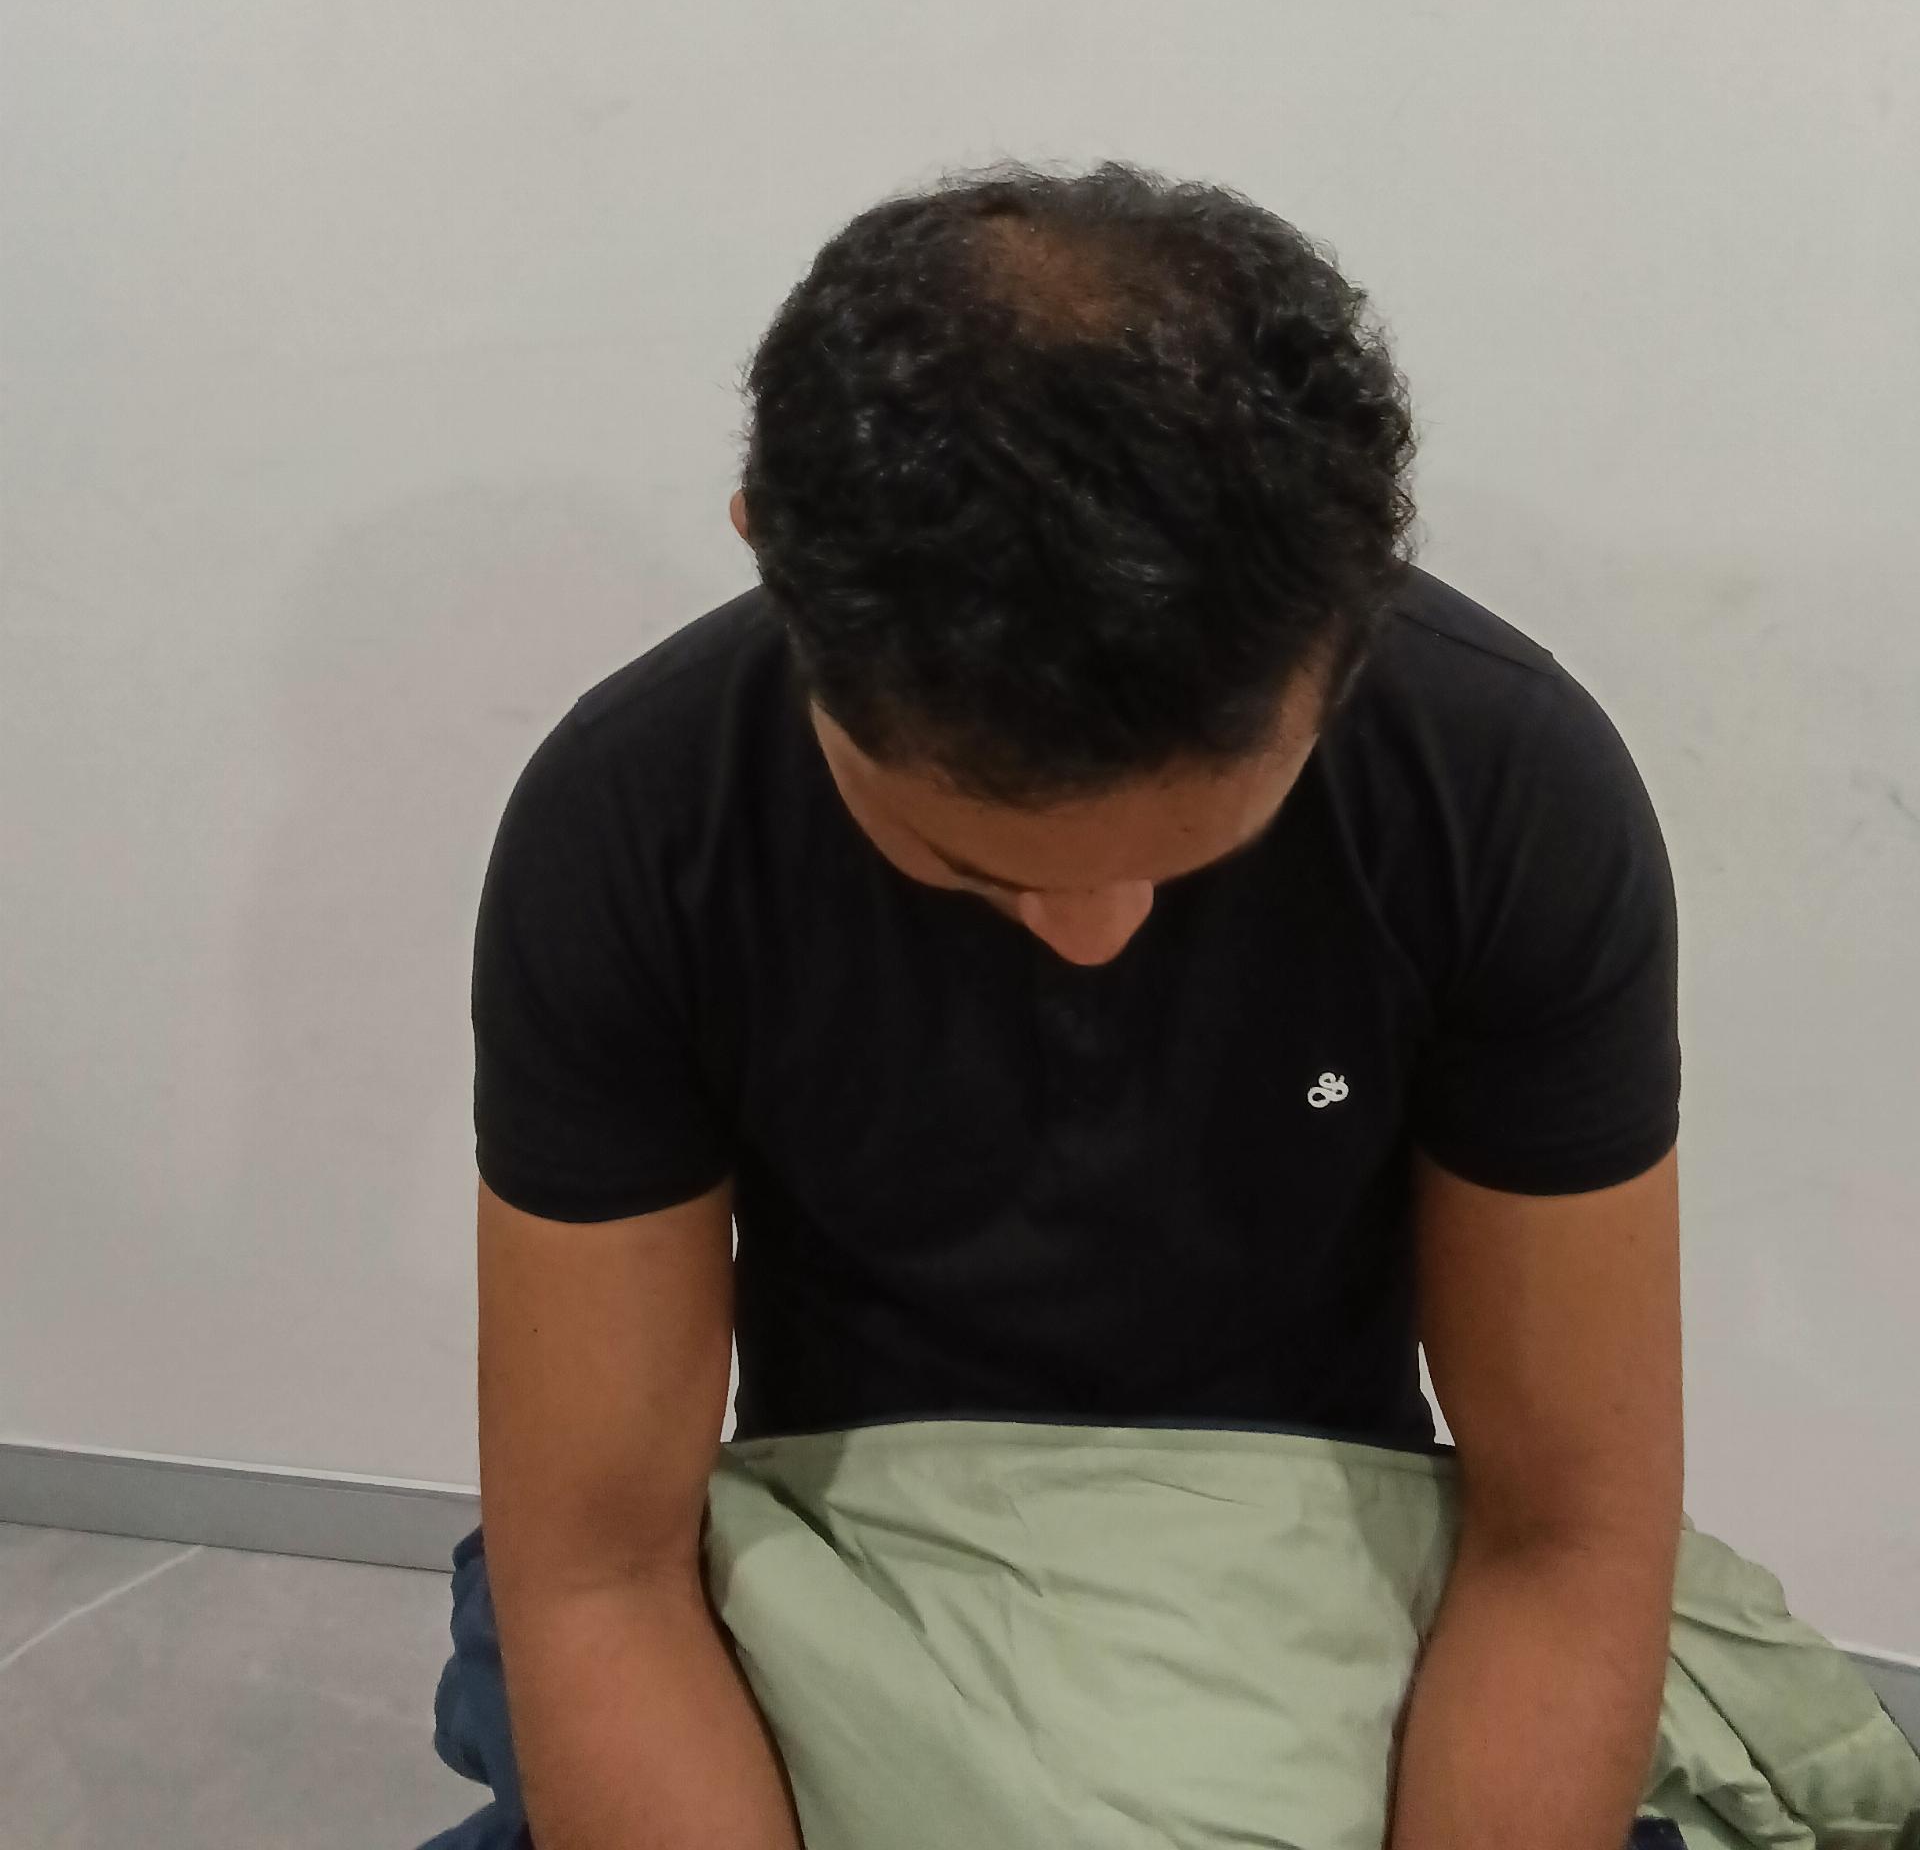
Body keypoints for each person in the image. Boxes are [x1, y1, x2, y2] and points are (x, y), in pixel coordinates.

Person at [423, 160, 1683, 1850]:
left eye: (1199, 853)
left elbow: (1570, 1532)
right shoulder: (638, 823)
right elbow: (597, 1565)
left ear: (1349, 621)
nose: (1095, 937)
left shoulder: (1504, 788)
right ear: (780, 576)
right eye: (976, 869)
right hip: (834, 1563)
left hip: (1312, 1569)